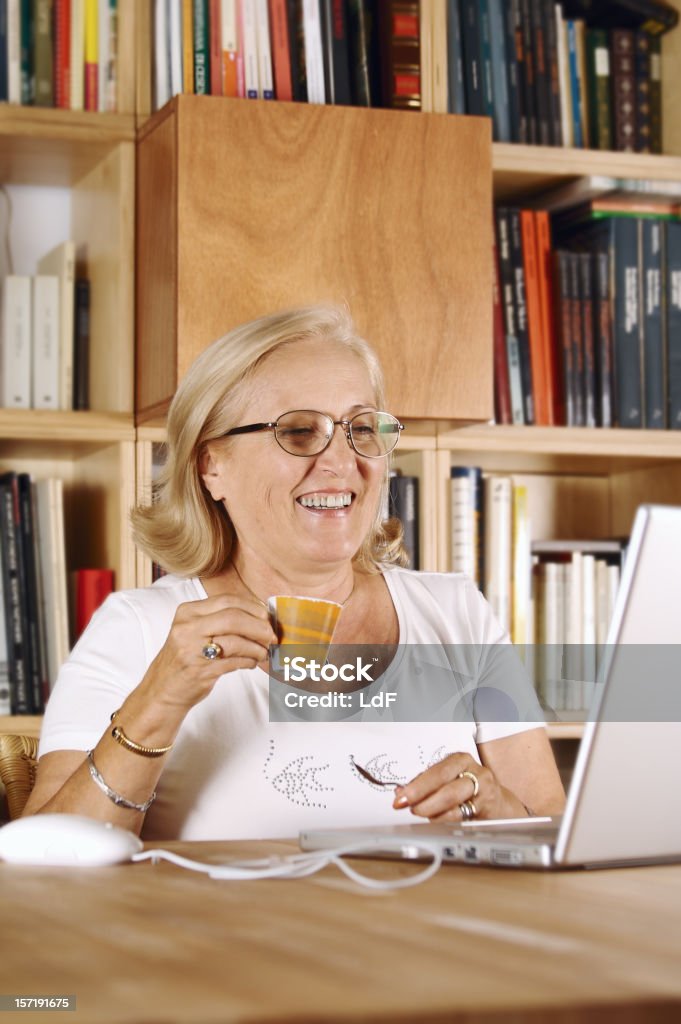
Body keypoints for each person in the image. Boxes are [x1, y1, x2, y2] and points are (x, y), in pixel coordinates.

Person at [25, 305, 565, 838]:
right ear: (212, 467)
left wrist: (493, 804)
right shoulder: (139, 630)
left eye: (361, 428)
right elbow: (41, 867)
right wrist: (158, 701)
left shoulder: (457, 614)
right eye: (300, 432)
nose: (341, 460)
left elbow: (558, 844)